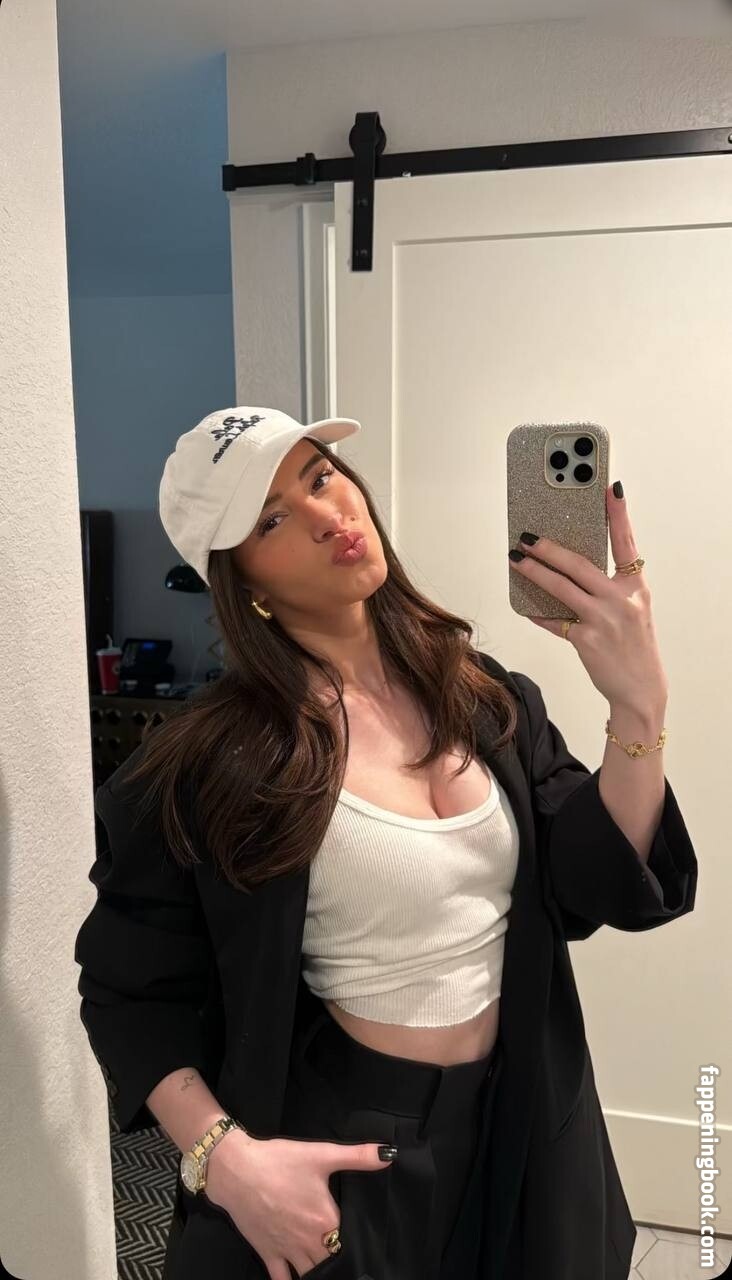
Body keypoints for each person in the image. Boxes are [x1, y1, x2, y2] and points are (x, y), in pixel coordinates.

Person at [74, 406, 698, 1280]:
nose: (327, 513)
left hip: (525, 1111)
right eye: (271, 519)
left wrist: (638, 705)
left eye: (320, 476)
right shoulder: (210, 762)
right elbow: (128, 991)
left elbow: (598, 884)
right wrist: (224, 1158)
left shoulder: (486, 699)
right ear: (241, 581)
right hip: (346, 1140)